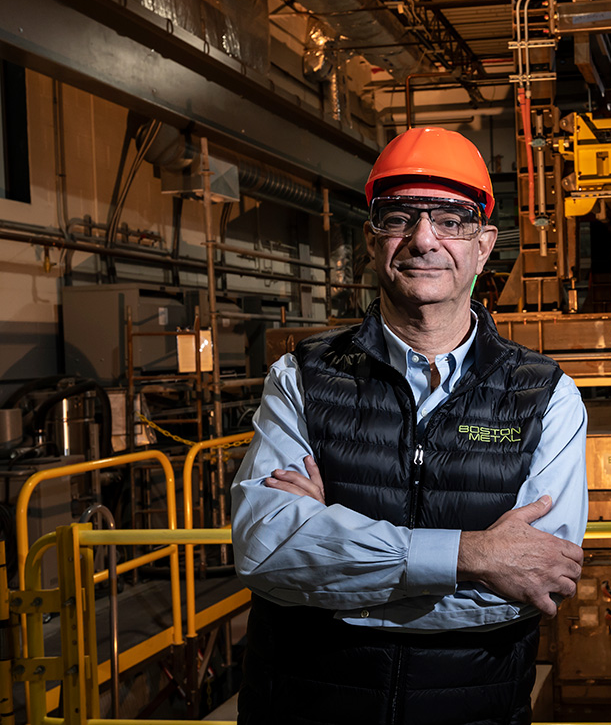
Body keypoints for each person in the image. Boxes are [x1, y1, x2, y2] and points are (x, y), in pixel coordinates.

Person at [230, 127, 588, 725]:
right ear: (372, 241)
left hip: (471, 711)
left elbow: (536, 578)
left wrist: (332, 563)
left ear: (484, 245)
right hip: (306, 709)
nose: (424, 239)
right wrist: (473, 555)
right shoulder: (300, 377)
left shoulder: (546, 395)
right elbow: (267, 552)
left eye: (452, 219)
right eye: (400, 216)